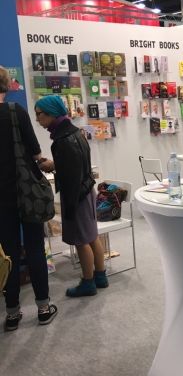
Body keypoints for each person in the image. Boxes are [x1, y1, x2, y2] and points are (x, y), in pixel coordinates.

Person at [0, 66, 58, 331]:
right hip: (26, 192)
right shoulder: (15, 112)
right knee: (35, 248)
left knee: (8, 253)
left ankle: (12, 313)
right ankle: (43, 308)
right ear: (7, 84)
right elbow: (34, 151)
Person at [34, 95, 108, 297]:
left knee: (81, 240)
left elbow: (72, 175)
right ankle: (100, 276)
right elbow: (76, 165)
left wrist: (53, 169)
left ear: (51, 113)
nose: (37, 119)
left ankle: (88, 283)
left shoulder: (62, 140)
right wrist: (55, 165)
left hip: (77, 195)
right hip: (87, 190)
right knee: (92, 236)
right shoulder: (75, 132)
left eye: (39, 114)